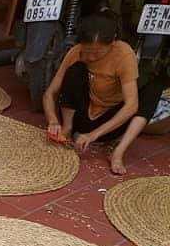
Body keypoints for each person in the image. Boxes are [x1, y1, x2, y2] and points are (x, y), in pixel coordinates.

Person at [43, 11, 165, 175]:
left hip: (111, 124)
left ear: (113, 42)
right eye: (87, 51)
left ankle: (118, 152)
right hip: (82, 118)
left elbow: (131, 106)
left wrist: (92, 135)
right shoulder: (76, 52)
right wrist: (52, 120)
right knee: (76, 70)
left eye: (98, 52)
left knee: (154, 87)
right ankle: (67, 129)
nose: (91, 57)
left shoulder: (123, 53)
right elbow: (49, 93)